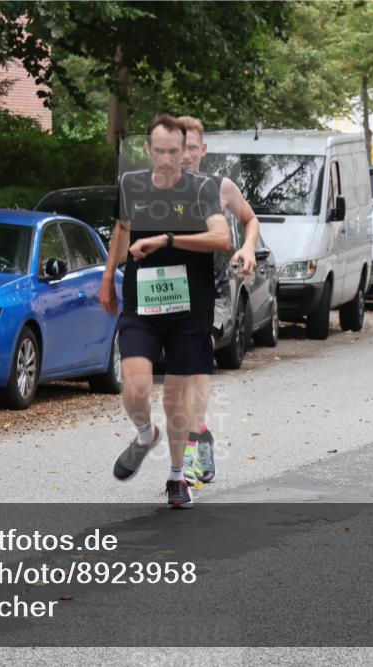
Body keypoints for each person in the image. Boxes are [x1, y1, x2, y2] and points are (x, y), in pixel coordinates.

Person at [99, 114, 231, 508]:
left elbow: (222, 237)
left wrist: (166, 239)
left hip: (190, 311)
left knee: (175, 401)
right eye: (160, 151)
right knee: (135, 386)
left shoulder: (201, 189)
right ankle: (144, 434)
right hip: (143, 303)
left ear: (184, 149)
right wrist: (107, 279)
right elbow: (122, 229)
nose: (167, 159)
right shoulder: (131, 185)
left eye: (174, 151)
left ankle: (177, 477)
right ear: (148, 150)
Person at [176, 115, 261, 487]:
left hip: (213, 294)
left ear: (203, 150)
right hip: (172, 293)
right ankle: (202, 434)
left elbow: (250, 219)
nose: (185, 155)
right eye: (178, 148)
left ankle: (193, 454)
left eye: (192, 147)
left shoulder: (219, 186)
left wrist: (247, 247)